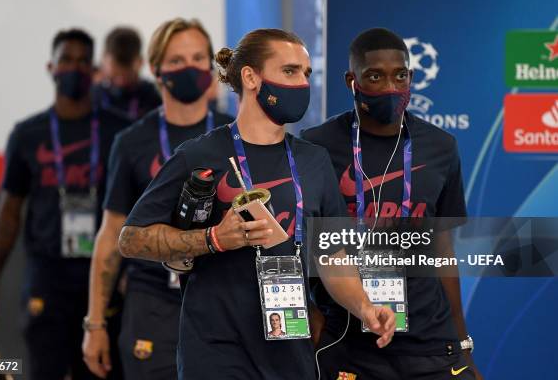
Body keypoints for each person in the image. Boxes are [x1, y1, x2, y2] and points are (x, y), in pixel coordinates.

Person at [117, 28, 395, 380]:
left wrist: (365, 307)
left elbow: (333, 258)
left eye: (306, 74)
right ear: (251, 77)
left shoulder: (314, 161)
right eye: (290, 72)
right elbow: (131, 238)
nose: (302, 84)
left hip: (289, 351)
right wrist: (213, 239)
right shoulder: (200, 154)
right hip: (214, 351)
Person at [301, 27, 482, 380]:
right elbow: (303, 241)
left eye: (400, 76)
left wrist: (462, 342)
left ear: (412, 78)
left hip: (427, 339)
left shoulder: (440, 146)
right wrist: (310, 319)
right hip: (346, 337)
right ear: (351, 81)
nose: (390, 88)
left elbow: (442, 249)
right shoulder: (316, 146)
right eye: (375, 76)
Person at [0, 29, 130, 379]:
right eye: (66, 60)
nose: (73, 68)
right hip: (47, 278)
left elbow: (137, 210)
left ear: (94, 71)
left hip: (103, 278)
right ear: (51, 67)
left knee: (102, 371)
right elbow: (9, 213)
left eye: (82, 62)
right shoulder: (28, 134)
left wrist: (133, 272)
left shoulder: (120, 133)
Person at [82, 18, 233, 380]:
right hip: (152, 302)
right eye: (177, 61)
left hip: (221, 298)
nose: (191, 68)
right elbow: (111, 234)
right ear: (156, 69)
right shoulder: (133, 141)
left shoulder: (235, 134)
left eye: (199, 58)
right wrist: (95, 324)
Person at [93, 27, 162, 121]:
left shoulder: (156, 99)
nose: (121, 80)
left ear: (141, 62)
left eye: (127, 70)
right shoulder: (91, 98)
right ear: (103, 60)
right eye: (116, 68)